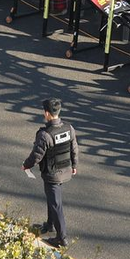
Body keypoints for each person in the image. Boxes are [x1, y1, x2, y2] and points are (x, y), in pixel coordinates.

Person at [22, 98, 78, 249]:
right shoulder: (69, 128)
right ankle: (50, 224)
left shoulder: (45, 134)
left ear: (47, 113)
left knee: (56, 204)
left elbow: (36, 155)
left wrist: (26, 165)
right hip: (65, 170)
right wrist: (74, 165)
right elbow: (74, 148)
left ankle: (62, 238)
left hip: (52, 174)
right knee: (52, 200)